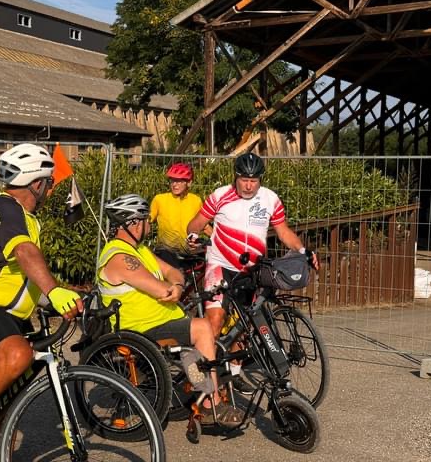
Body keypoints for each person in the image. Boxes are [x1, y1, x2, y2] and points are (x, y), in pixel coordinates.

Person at [0, 143, 83, 462]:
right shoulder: (4, 206)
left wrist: (62, 296)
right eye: (49, 183)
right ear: (37, 183)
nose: (50, 190)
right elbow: (25, 254)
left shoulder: (28, 219)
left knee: (18, 382)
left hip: (11, 315)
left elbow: (24, 274)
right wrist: (53, 290)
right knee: (18, 355)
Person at [97, 194, 245, 427]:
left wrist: (175, 284)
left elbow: (174, 272)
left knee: (198, 335)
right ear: (133, 223)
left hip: (160, 322)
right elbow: (160, 290)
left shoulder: (140, 251)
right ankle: (210, 405)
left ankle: (202, 385)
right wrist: (171, 288)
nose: (149, 224)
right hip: (140, 330)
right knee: (203, 328)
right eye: (146, 220)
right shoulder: (119, 257)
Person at [187, 152, 319, 392]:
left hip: (251, 271)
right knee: (214, 324)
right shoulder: (219, 196)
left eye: (254, 180)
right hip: (220, 267)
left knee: (243, 328)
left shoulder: (270, 199)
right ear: (235, 177)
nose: (248, 185)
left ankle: (233, 375)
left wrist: (303, 250)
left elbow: (283, 231)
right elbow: (195, 223)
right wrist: (192, 236)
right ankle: (199, 378)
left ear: (260, 179)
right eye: (244, 180)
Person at [150, 162, 210, 268]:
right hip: (166, 250)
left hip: (190, 250)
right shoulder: (159, 199)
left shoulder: (196, 200)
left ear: (189, 183)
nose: (174, 184)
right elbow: (146, 221)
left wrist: (218, 238)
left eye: (179, 181)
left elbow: (203, 225)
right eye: (172, 180)